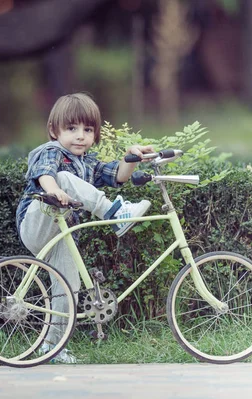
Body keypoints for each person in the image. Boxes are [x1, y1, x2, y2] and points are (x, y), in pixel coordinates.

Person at [16, 92, 154, 363]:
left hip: (62, 237)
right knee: (65, 177)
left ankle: (52, 348)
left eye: (87, 130)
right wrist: (56, 190)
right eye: (71, 128)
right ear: (54, 131)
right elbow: (46, 174)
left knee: (68, 289)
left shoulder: (88, 162)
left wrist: (132, 158)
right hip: (36, 224)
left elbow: (117, 176)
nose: (80, 136)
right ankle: (116, 214)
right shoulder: (50, 151)